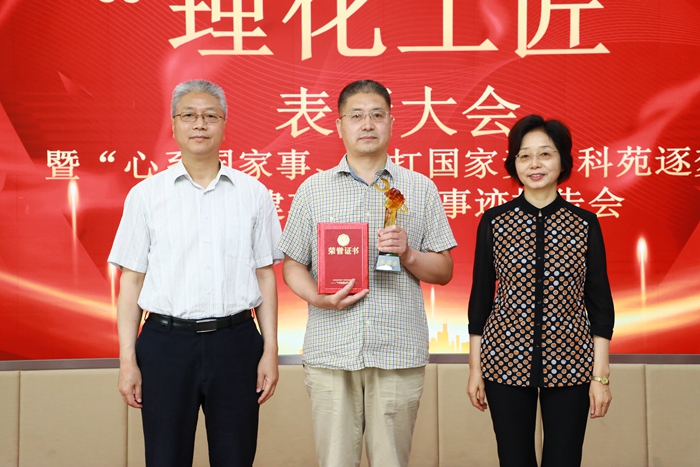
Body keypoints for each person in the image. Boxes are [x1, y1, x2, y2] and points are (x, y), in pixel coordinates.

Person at [278, 79, 457, 467]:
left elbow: (444, 270)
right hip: (331, 348)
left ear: (391, 122)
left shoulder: (420, 188)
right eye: (356, 115)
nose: (367, 124)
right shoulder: (313, 190)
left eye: (377, 114)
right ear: (339, 125)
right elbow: (292, 264)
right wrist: (318, 298)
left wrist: (408, 253)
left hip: (397, 350)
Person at [108, 79, 282, 467]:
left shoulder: (253, 193)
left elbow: (265, 275)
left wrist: (270, 351)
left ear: (224, 124)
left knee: (235, 457)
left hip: (236, 343)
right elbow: (131, 282)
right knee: (165, 458)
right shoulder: (146, 195)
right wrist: (127, 360)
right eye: (189, 115)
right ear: (173, 125)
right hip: (165, 346)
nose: (199, 124)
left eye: (210, 116)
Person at [466, 114, 615, 467]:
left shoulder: (584, 223)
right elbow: (480, 300)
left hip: (572, 361)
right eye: (525, 155)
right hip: (504, 359)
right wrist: (475, 369)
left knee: (564, 459)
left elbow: (600, 305)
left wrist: (601, 377)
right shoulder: (494, 221)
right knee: (513, 459)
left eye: (545, 154)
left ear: (562, 161)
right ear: (514, 164)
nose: (535, 163)